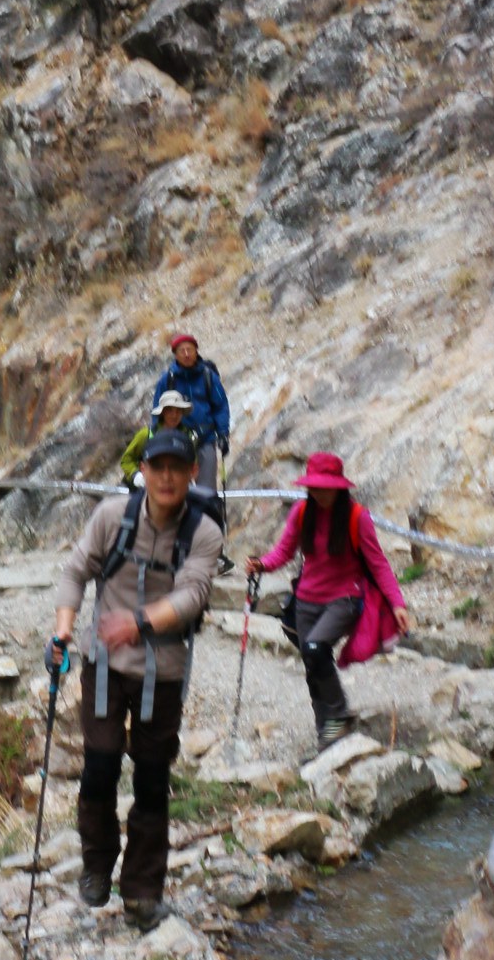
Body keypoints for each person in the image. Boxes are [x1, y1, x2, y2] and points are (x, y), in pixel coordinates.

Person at [47, 426, 221, 930]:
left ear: (192, 473)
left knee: (151, 780)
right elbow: (75, 572)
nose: (166, 478)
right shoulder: (111, 517)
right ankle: (97, 865)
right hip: (104, 668)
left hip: (162, 675)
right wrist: (62, 633)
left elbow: (193, 595)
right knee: (99, 769)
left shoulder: (203, 533)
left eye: (176, 468)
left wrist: (138, 622)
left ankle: (143, 892)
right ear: (142, 471)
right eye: (156, 467)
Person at [247, 452, 409, 747]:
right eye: (314, 487)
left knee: (315, 648)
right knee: (313, 664)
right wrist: (262, 565)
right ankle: (327, 734)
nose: (319, 493)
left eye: (325, 487)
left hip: (344, 599)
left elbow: (378, 564)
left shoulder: (357, 518)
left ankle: (339, 716)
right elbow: (283, 551)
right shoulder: (300, 512)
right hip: (306, 600)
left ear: (338, 487)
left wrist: (397, 603)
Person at [152, 331, 230, 496]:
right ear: (175, 355)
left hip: (206, 439)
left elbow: (221, 405)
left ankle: (205, 519)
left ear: (196, 351)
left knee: (206, 490)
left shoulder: (209, 377)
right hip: (177, 439)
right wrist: (156, 436)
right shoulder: (168, 379)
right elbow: (157, 409)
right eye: (182, 351)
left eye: (190, 349)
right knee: (176, 486)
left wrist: (223, 434)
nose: (187, 354)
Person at [119, 389, 196, 486]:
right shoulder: (146, 434)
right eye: (170, 410)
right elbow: (126, 460)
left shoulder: (187, 436)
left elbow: (192, 462)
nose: (174, 415)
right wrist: (135, 475)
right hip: (142, 487)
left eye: (178, 411)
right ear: (163, 412)